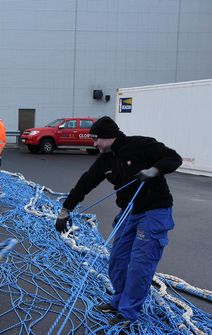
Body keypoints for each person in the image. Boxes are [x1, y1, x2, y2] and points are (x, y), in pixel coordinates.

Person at [54, 116, 182, 327]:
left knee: (140, 265)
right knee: (117, 260)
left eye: (97, 140)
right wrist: (66, 209)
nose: (95, 144)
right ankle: (119, 301)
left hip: (154, 211)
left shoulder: (141, 145)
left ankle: (128, 313)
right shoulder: (106, 159)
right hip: (129, 212)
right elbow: (85, 183)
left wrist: (155, 170)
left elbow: (173, 157)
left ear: (109, 136)